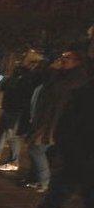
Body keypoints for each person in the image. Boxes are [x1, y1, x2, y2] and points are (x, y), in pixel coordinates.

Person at [20, 69, 93, 208]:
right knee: (56, 202)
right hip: (77, 160)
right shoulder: (84, 92)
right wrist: (67, 154)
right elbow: (66, 126)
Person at [25, 48, 89, 193]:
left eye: (67, 57)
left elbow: (58, 91)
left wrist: (54, 72)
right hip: (46, 119)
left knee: (36, 148)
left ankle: (44, 181)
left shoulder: (78, 77)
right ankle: (39, 179)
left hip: (55, 122)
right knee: (38, 149)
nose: (63, 59)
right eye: (62, 56)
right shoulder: (62, 74)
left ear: (77, 62)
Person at [0, 51, 44, 172]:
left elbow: (25, 91)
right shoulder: (20, 72)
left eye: (26, 57)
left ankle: (14, 161)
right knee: (3, 130)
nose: (22, 59)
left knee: (12, 135)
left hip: (18, 109)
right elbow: (8, 85)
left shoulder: (34, 75)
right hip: (10, 105)